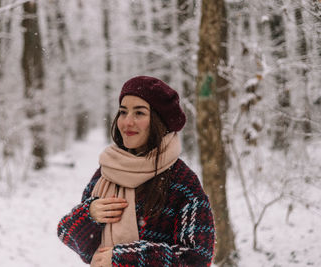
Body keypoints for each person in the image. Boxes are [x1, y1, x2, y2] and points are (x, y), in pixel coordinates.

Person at [57, 76, 215, 267]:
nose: (127, 122)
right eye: (123, 112)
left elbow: (196, 258)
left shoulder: (182, 183)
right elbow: (76, 241)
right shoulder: (108, 170)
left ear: (159, 121)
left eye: (139, 113)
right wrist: (89, 214)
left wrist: (124, 259)